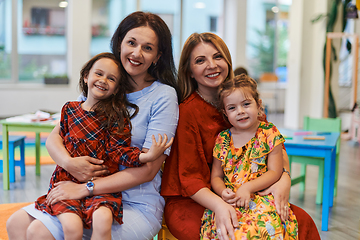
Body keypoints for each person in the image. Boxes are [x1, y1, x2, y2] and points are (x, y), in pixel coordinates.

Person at [7, 11, 179, 240]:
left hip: (133, 201)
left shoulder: (163, 95)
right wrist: (70, 164)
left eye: (147, 48)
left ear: (158, 56)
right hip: (80, 192)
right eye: (131, 42)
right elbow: (54, 137)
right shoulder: (103, 84)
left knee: (39, 232)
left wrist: (86, 187)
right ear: (120, 44)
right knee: (16, 224)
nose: (137, 53)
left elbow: (148, 170)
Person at [161, 32, 320, 240]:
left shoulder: (246, 103)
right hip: (196, 200)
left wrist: (285, 179)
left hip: (249, 195)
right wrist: (219, 204)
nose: (212, 65)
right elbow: (190, 179)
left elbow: (275, 149)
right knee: (239, 234)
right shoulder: (187, 112)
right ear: (189, 71)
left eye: (218, 57)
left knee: (303, 220)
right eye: (200, 60)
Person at [34, 52, 173, 240]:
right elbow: (55, 138)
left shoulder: (116, 117)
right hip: (68, 182)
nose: (103, 80)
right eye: (98, 74)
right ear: (86, 76)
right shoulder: (70, 109)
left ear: (117, 89)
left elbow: (119, 151)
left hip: (102, 186)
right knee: (69, 227)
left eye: (111, 78)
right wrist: (68, 162)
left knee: (102, 219)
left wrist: (146, 156)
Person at [200, 74, 298, 239]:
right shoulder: (223, 138)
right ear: (225, 113)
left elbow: (275, 171)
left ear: (258, 105)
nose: (241, 111)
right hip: (230, 200)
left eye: (246, 104)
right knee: (225, 231)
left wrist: (248, 188)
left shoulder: (269, 132)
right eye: (232, 108)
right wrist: (222, 191)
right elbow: (216, 176)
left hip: (260, 197)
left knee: (261, 230)